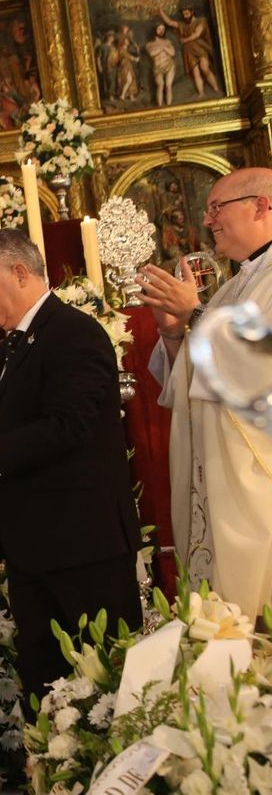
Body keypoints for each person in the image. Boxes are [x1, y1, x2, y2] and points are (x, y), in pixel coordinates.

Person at [0, 229, 142, 707]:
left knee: (105, 689)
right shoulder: (7, 350)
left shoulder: (75, 333)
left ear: (20, 273)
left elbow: (68, 427)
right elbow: (6, 430)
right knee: (47, 690)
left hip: (84, 546)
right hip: (35, 550)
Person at [139, 167, 272, 615]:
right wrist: (174, 333)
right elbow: (194, 382)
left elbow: (260, 365)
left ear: (262, 206)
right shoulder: (234, 284)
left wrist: (195, 314)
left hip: (256, 478)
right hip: (217, 470)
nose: (208, 220)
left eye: (218, 208)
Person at [159, 5, 220, 98]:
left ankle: (216, 89)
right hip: (188, 51)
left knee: (204, 68)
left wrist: (185, 40)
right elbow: (170, 22)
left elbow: (197, 34)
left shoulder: (201, 21)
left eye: (187, 13)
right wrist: (160, 11)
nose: (185, 16)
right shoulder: (182, 24)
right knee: (195, 73)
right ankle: (201, 93)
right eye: (183, 14)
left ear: (192, 12)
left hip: (200, 48)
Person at [146, 23, 177, 107]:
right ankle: (160, 107)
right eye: (159, 29)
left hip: (169, 65)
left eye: (163, 29)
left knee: (168, 85)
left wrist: (163, 47)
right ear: (155, 30)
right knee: (160, 85)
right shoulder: (149, 44)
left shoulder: (167, 41)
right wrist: (163, 48)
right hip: (157, 67)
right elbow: (152, 53)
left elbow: (172, 53)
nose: (161, 31)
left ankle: (169, 106)